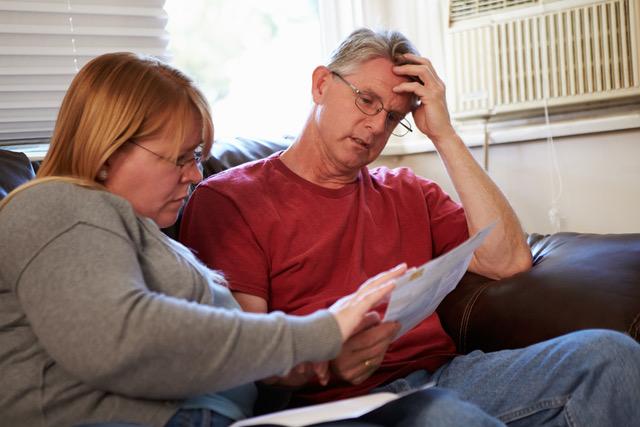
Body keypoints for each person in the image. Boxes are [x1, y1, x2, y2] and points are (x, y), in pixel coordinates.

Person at [179, 28, 640, 425]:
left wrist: (444, 133)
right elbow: (245, 351)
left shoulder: (406, 190)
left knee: (611, 355)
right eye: (366, 100)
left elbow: (509, 260)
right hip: (336, 402)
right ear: (321, 84)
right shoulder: (229, 199)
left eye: (394, 117)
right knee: (448, 417)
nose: (376, 126)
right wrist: (326, 362)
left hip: (444, 376)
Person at [0, 52, 419, 427]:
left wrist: (300, 367)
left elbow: (207, 363)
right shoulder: (56, 204)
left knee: (433, 408)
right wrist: (318, 332)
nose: (196, 175)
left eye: (198, 157)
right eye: (181, 158)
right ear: (109, 152)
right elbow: (120, 337)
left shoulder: (148, 238)